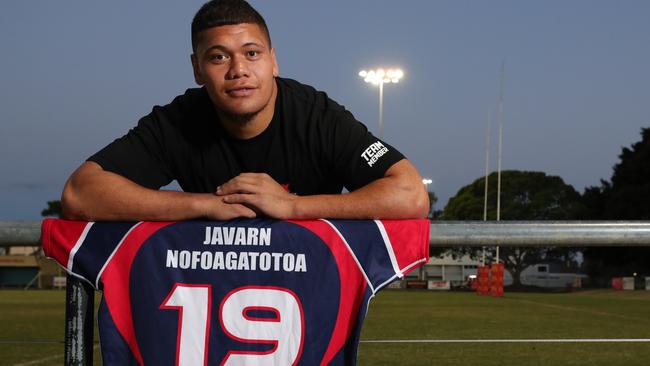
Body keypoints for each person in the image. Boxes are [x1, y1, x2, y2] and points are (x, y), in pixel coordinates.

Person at [61, 0, 429, 222]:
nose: (238, 70)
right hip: (217, 290)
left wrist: (292, 206)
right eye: (219, 57)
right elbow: (81, 193)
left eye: (252, 53)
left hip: (309, 289)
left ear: (273, 61)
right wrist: (202, 204)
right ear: (196, 69)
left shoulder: (316, 116)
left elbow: (410, 195)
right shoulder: (179, 120)